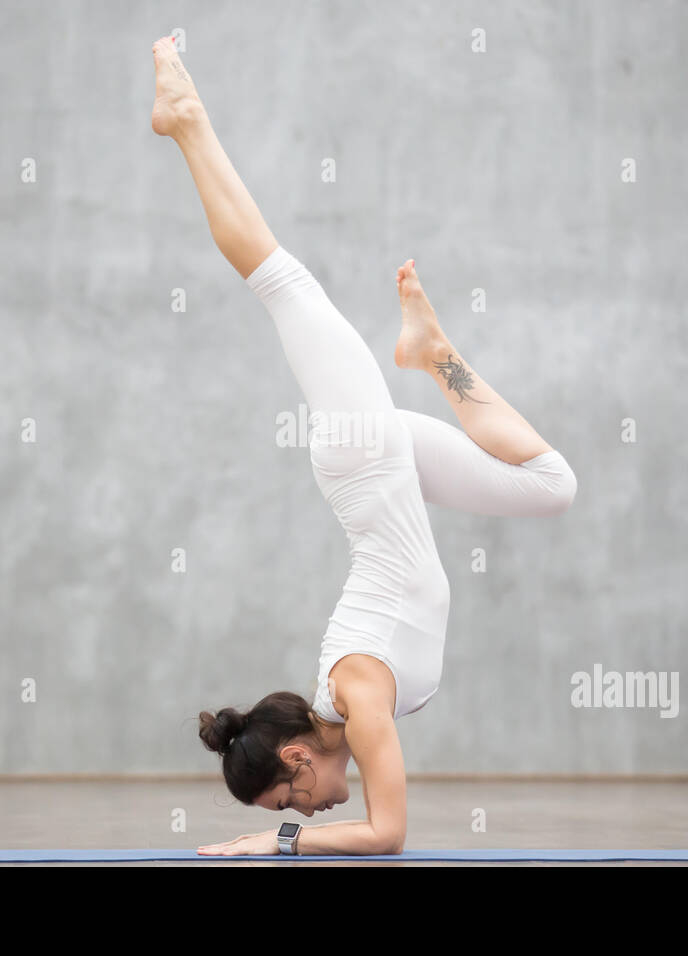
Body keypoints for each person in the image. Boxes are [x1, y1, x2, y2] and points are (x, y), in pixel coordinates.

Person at [148, 36, 577, 855]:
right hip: (384, 465)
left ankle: (186, 121)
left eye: (287, 796)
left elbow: (387, 836)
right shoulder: (355, 705)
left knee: (280, 283)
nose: (301, 810)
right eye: (289, 813)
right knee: (553, 485)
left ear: (298, 756)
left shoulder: (356, 696)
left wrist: (270, 848)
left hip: (361, 454)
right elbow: (388, 832)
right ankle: (430, 352)